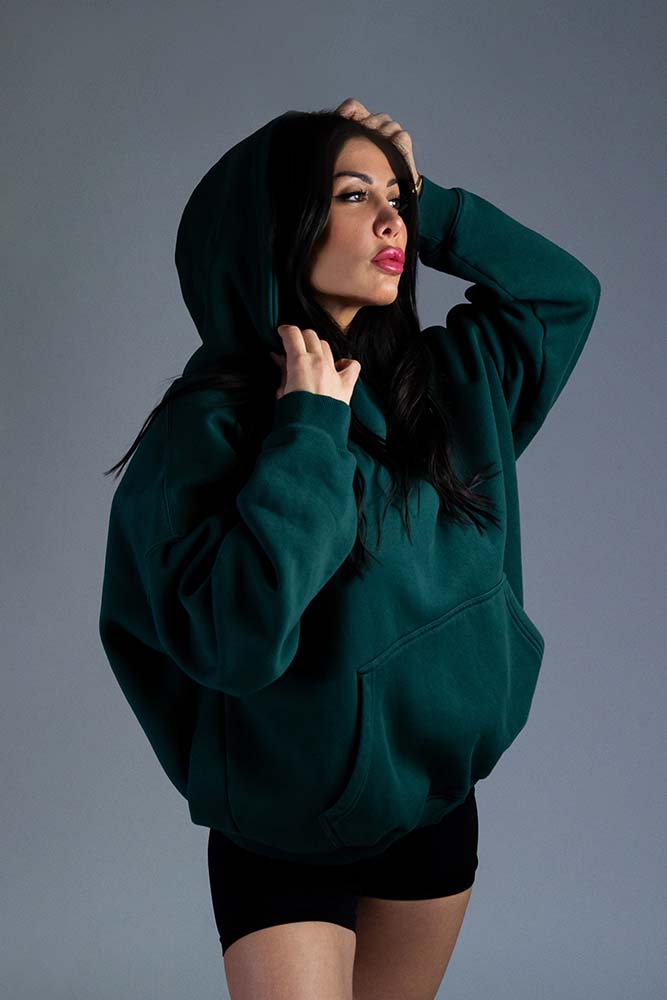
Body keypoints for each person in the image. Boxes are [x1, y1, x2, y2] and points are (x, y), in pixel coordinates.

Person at [98, 97, 601, 996]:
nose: (389, 221)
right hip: (279, 831)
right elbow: (237, 641)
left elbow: (562, 295)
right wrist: (307, 431)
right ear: (278, 225)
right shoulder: (202, 434)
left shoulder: (443, 384)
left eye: (394, 199)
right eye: (351, 195)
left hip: (431, 809)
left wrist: (432, 200)